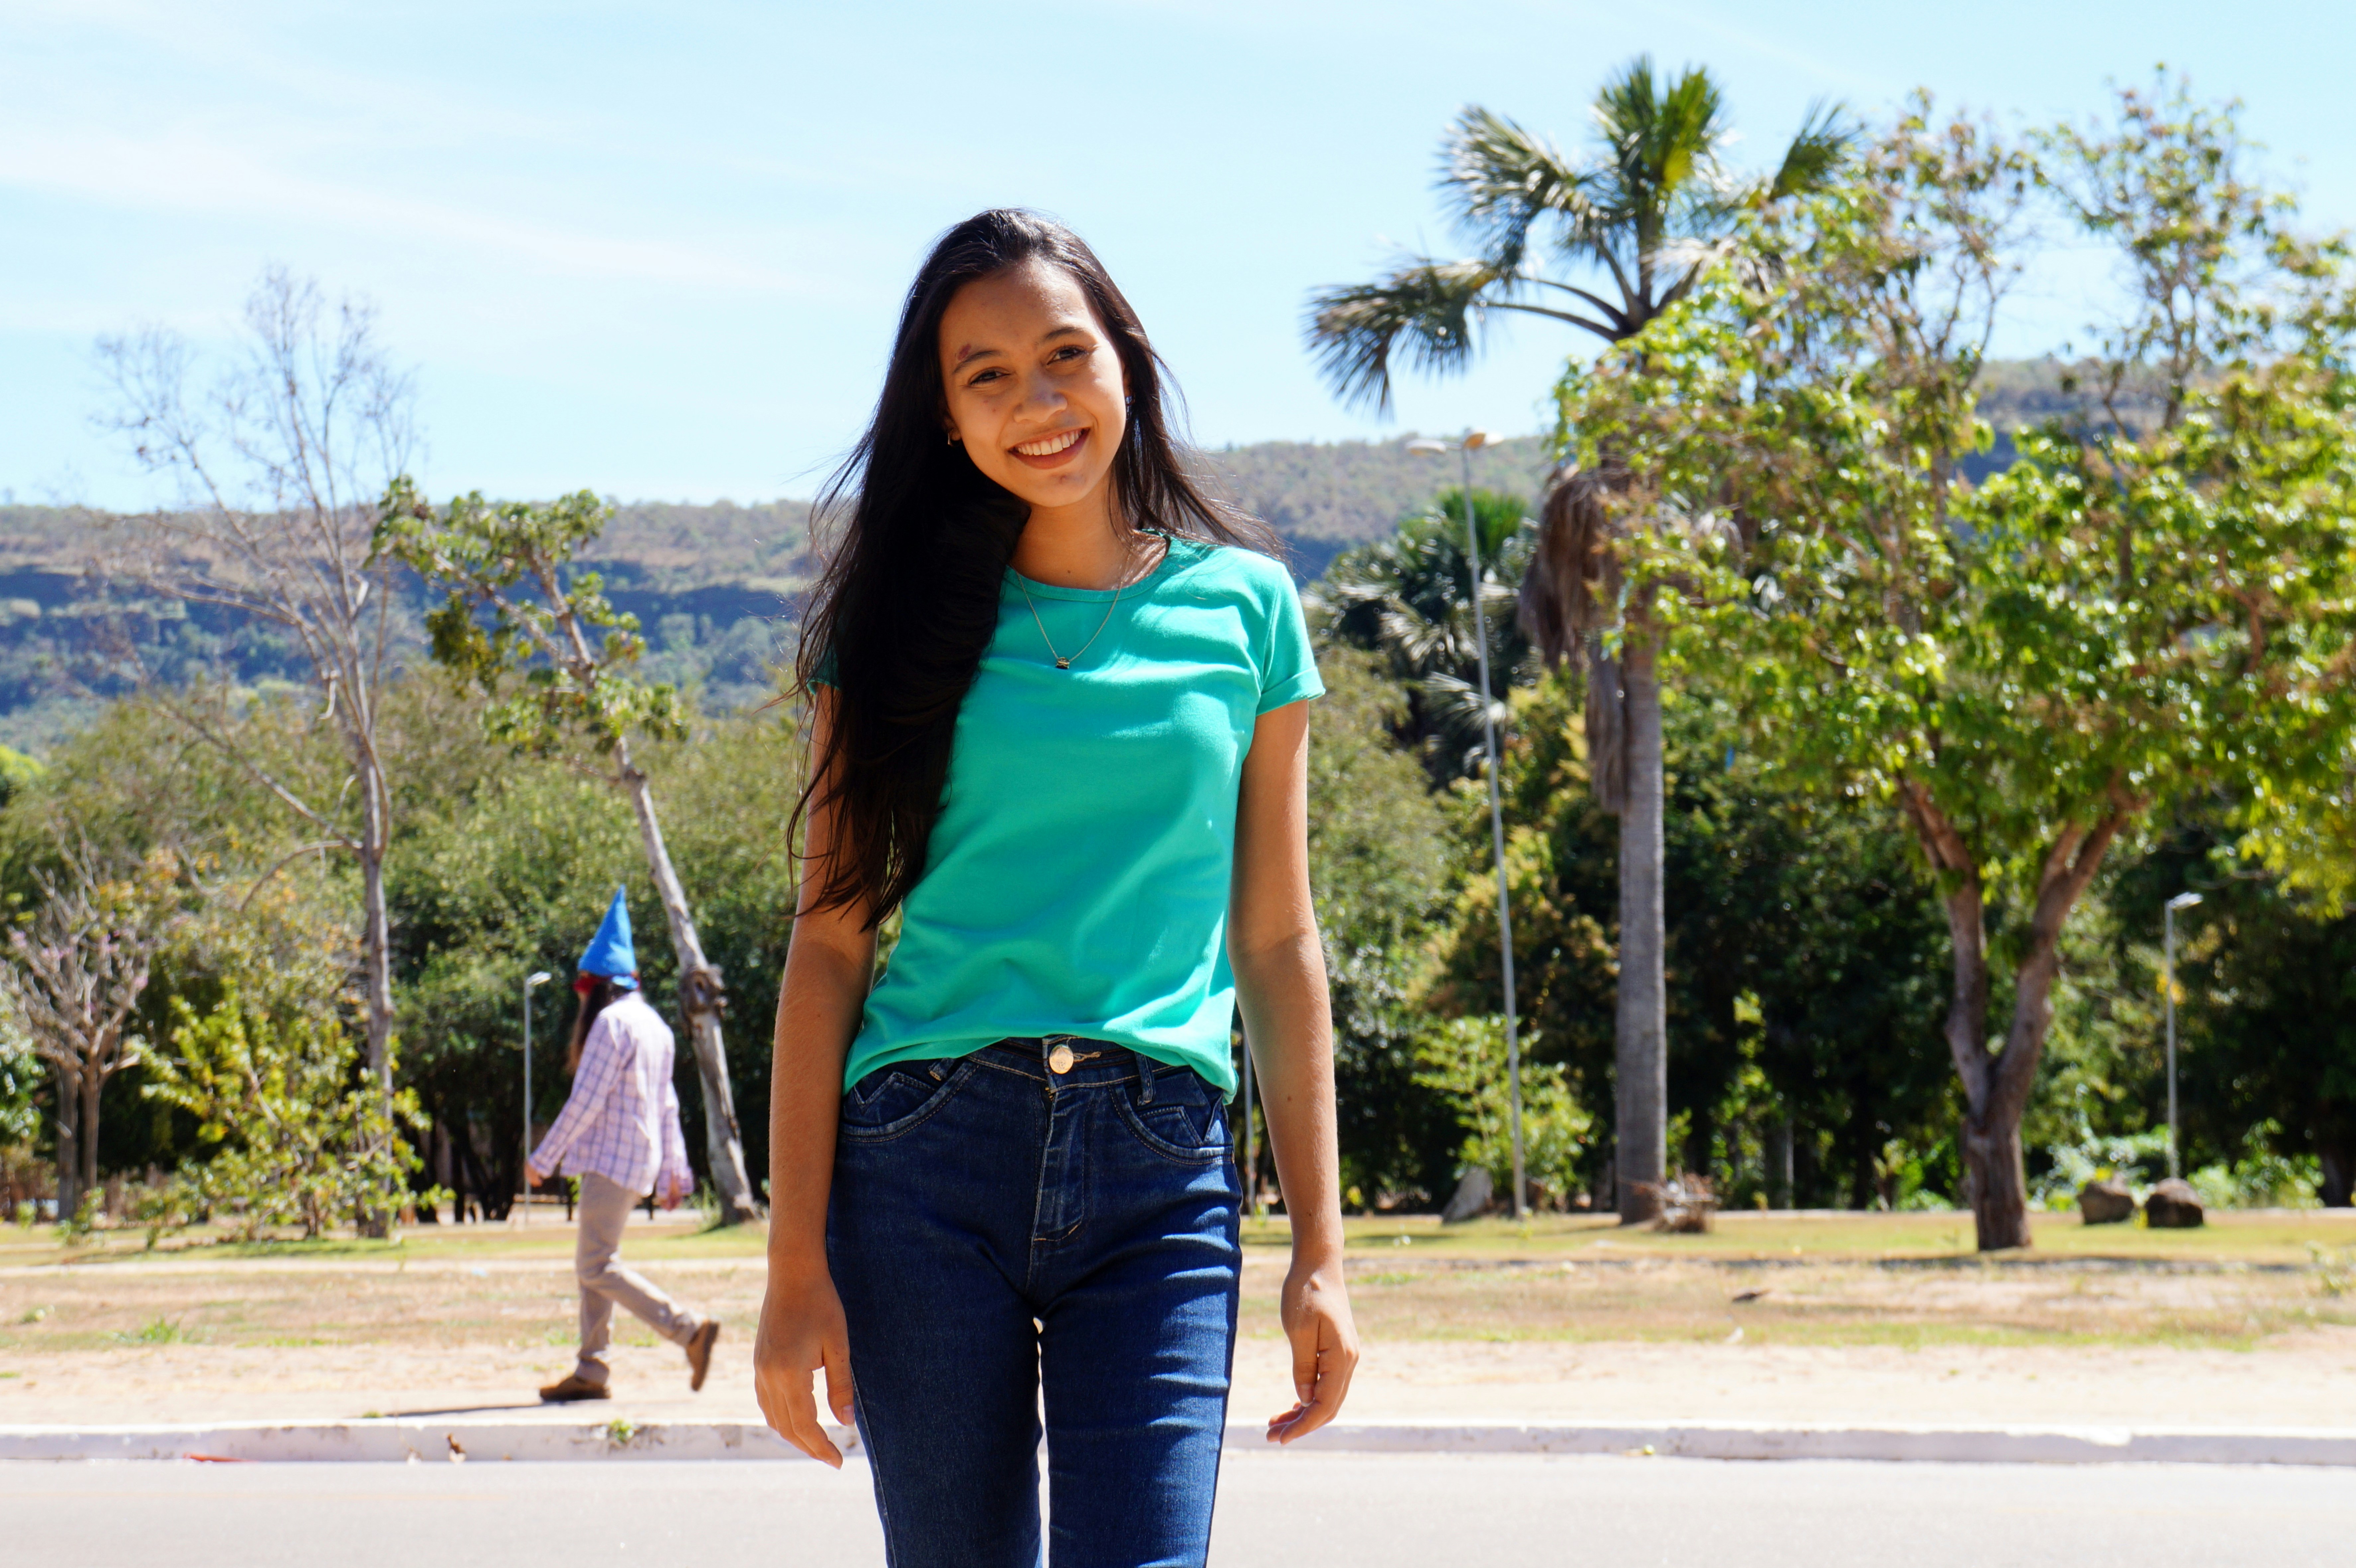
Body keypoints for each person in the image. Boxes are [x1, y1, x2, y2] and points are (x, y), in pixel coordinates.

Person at [754, 209, 1359, 1566]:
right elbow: (831, 947)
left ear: (1124, 362)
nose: (1038, 401)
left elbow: (1274, 940)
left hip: (1163, 1165)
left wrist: (1320, 1247)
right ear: (948, 414)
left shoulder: (1246, 607)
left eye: (1064, 355)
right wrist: (795, 1274)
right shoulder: (893, 623)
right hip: (922, 1153)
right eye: (987, 375)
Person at [529, 888, 721, 1403]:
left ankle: (688, 1330)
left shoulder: (612, 1024)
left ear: (596, 987)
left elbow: (584, 1102)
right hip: (635, 1161)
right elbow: (668, 1107)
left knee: (595, 1266)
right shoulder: (655, 1025)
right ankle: (591, 1371)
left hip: (611, 1163)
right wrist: (674, 1172)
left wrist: (541, 1160)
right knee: (596, 1262)